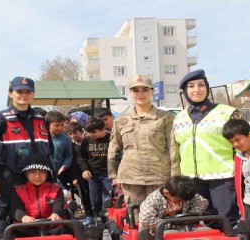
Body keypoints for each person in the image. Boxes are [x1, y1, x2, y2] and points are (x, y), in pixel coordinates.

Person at [173, 69, 250, 228]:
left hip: (222, 177)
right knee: (202, 221)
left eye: (201, 85)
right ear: (185, 91)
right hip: (192, 180)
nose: (196, 90)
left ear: (207, 87)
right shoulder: (179, 118)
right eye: (191, 86)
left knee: (226, 219)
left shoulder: (225, 112)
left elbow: (248, 134)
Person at [0, 76, 55, 209]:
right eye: (19, 92)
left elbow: (49, 151)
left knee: (36, 214)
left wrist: (53, 175)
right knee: (1, 215)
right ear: (10, 93)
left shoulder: (41, 119)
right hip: (8, 178)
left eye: (27, 92)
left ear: (33, 94)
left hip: (37, 178)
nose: (23, 95)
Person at [108, 74, 178, 204]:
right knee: (134, 217)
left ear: (152, 91)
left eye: (145, 89)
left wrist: (175, 176)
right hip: (131, 178)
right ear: (130, 93)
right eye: (135, 90)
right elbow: (113, 149)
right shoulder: (122, 120)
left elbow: (173, 149)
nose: (140, 94)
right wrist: (113, 175)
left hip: (159, 176)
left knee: (160, 216)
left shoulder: (166, 118)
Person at [10, 154, 66, 236]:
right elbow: (16, 208)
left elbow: (59, 204)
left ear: (48, 174)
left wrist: (56, 214)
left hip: (53, 228)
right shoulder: (18, 190)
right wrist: (23, 217)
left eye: (42, 172)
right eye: (32, 172)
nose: (37, 176)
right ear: (26, 174)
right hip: (25, 230)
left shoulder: (56, 189)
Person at [138, 175, 209, 231]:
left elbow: (203, 202)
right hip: (160, 231)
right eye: (179, 200)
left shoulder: (184, 195)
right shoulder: (153, 200)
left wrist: (190, 217)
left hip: (186, 228)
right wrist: (173, 224)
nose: (182, 202)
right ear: (166, 193)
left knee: (207, 232)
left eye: (185, 200)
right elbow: (146, 220)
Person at [78, 117, 112, 224]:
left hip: (108, 174)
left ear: (102, 129)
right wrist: (85, 169)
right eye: (89, 132)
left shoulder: (111, 138)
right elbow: (82, 157)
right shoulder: (86, 140)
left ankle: (109, 219)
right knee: (95, 200)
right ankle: (97, 218)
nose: (92, 135)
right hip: (93, 174)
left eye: (94, 132)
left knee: (108, 198)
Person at [68, 122, 92, 219]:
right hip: (79, 175)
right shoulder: (71, 147)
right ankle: (88, 215)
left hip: (91, 173)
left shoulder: (89, 143)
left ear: (81, 132)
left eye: (76, 133)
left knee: (93, 195)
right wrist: (74, 177)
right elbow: (72, 164)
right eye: (71, 134)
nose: (74, 135)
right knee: (84, 195)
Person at [47, 110, 73, 188]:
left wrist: (65, 165)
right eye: (56, 125)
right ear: (48, 125)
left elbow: (68, 156)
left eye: (62, 125)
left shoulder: (66, 139)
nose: (60, 128)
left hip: (58, 173)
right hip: (41, 173)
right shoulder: (40, 137)